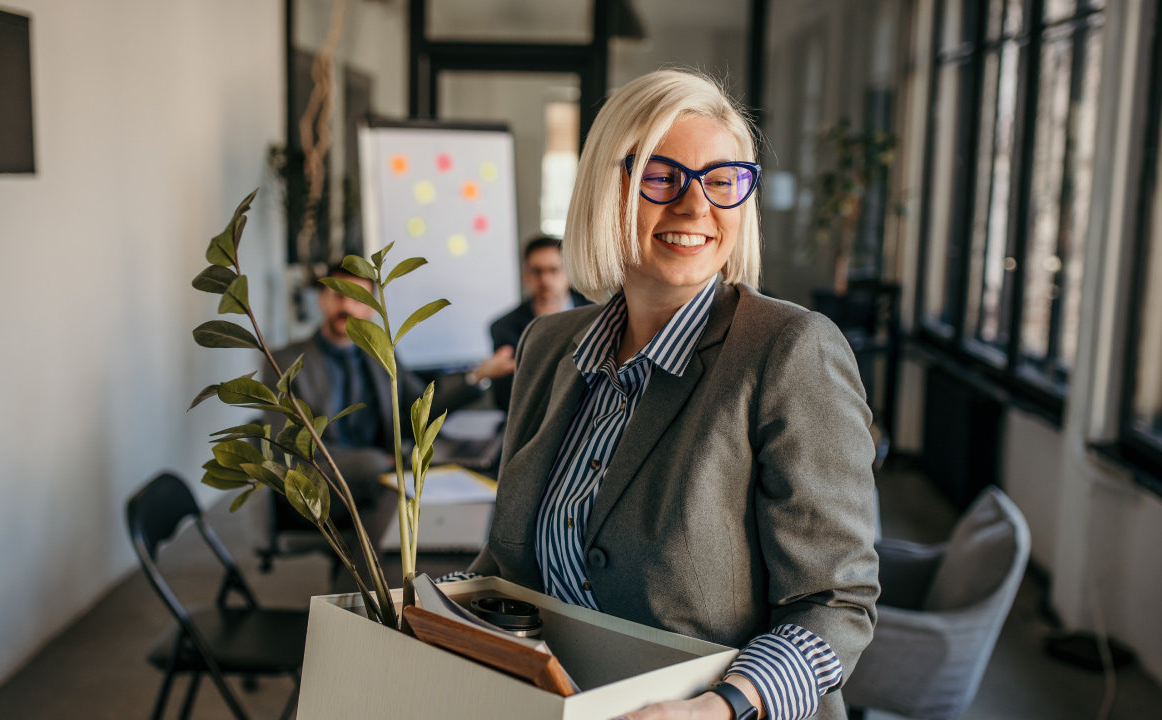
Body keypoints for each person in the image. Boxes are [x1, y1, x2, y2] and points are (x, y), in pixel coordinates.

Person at [458, 70, 879, 720]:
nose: (694, 206)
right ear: (606, 187)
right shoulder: (547, 345)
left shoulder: (791, 351)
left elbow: (836, 603)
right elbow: (510, 567)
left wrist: (719, 707)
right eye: (661, 176)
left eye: (721, 179)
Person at [262, 265, 513, 540]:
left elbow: (420, 413)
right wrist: (377, 461)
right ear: (322, 299)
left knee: (473, 465)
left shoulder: (380, 353)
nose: (346, 305)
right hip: (319, 479)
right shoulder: (284, 362)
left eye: (357, 297)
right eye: (337, 295)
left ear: (370, 309)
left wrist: (477, 376)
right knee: (389, 485)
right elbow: (289, 445)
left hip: (385, 471)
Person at [486, 236, 592, 411]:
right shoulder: (504, 327)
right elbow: (506, 400)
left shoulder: (599, 316)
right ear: (526, 275)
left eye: (554, 270)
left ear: (569, 272)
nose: (545, 280)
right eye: (537, 271)